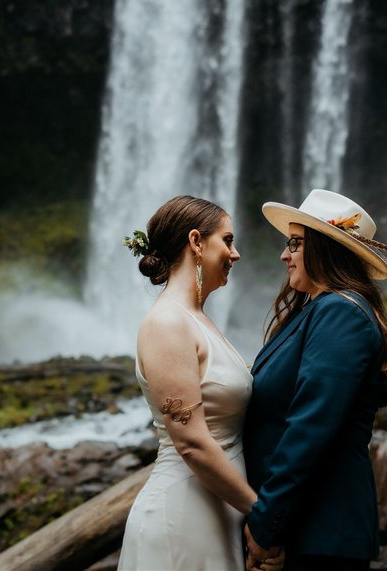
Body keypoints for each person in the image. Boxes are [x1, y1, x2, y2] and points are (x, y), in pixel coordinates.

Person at [243, 188, 387, 571]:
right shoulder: (318, 310)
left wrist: (266, 525)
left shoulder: (340, 312)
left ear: (325, 248)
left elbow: (311, 426)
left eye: (296, 244)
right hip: (307, 526)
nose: (284, 255)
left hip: (320, 532)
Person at [118, 195, 284, 571]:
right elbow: (191, 442)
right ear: (196, 242)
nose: (236, 253)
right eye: (227, 240)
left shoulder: (196, 319)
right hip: (181, 517)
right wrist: (263, 516)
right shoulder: (167, 324)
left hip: (216, 513)